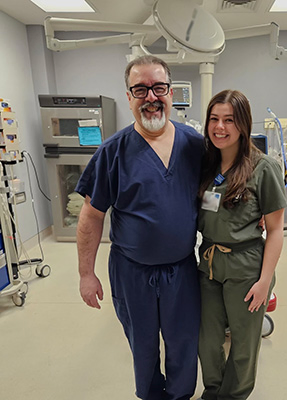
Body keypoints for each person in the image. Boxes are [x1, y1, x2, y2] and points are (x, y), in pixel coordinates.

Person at [75, 55, 204, 400]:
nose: (151, 96)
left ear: (171, 92)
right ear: (129, 96)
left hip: (181, 270)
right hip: (131, 272)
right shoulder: (113, 152)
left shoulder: (194, 145)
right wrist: (86, 274)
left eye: (158, 87)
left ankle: (180, 396)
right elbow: (91, 215)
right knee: (143, 346)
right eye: (140, 89)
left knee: (184, 344)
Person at [197, 90, 287, 400]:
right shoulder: (205, 166)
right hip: (208, 262)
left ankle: (234, 396)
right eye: (214, 119)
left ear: (243, 125)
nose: (219, 127)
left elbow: (276, 230)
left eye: (229, 120)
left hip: (247, 265)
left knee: (244, 343)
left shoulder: (263, 168)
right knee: (207, 339)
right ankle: (213, 391)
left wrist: (264, 282)